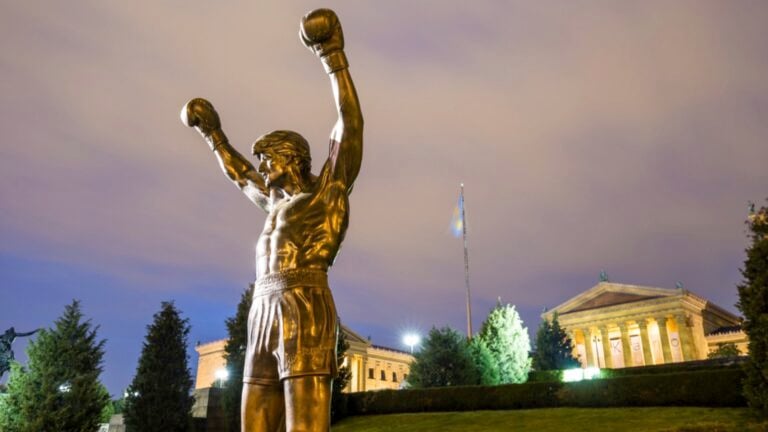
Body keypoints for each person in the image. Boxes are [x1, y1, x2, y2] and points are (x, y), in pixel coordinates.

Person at [181, 8, 362, 432]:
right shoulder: (273, 203)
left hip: (305, 303)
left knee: (305, 425)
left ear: (291, 158)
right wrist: (213, 135)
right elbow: (239, 174)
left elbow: (350, 125)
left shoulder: (326, 192)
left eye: (267, 159)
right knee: (254, 423)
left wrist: (332, 55)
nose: (260, 167)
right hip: (262, 309)